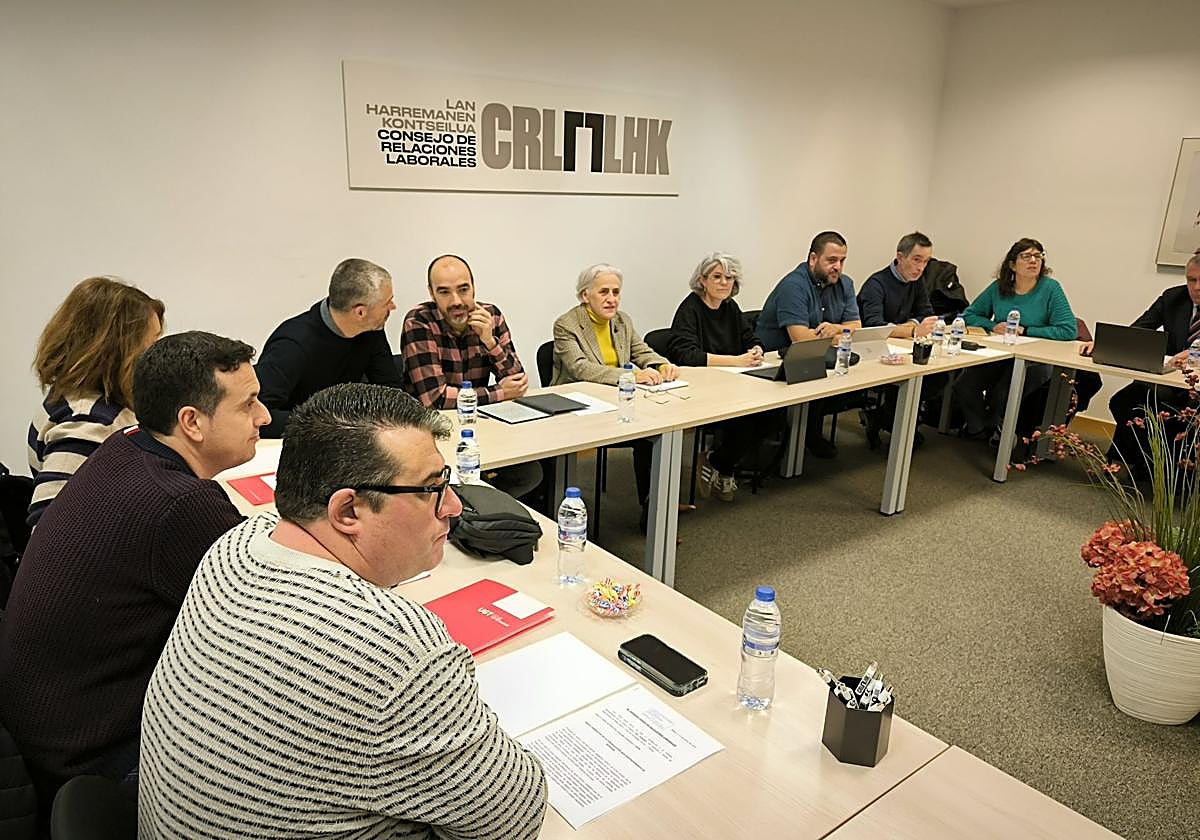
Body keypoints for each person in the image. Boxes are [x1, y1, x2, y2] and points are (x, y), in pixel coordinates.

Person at [138, 383, 548, 839]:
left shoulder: (237, 544)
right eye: (432, 488)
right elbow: (515, 818)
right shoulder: (396, 651)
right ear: (348, 510)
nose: (452, 507)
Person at [0, 332, 268, 813]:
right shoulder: (179, 505)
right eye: (248, 404)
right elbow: (278, 619)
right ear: (192, 423)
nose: (264, 416)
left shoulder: (127, 449)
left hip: (47, 727)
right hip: (93, 758)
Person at [400, 254, 541, 499]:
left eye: (463, 289)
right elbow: (435, 400)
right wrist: (498, 393)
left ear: (474, 287)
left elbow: (517, 381)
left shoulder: (491, 316)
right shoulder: (419, 322)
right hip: (432, 433)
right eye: (444, 292)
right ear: (432, 294)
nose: (456, 301)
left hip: (480, 427)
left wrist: (489, 341)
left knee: (530, 472)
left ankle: (484, 512)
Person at [26, 276, 164, 526]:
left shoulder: (68, 398)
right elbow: (48, 527)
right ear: (116, 351)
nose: (157, 358)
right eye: (151, 346)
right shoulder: (90, 423)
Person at [552, 263, 678, 527]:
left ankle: (652, 510)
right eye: (604, 292)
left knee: (652, 432)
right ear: (585, 295)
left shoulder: (622, 321)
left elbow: (641, 351)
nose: (612, 299)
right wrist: (629, 376)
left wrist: (660, 364)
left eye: (616, 292)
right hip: (578, 406)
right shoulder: (566, 325)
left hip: (618, 400)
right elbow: (580, 368)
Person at [1083, 249, 1200, 476]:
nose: (1196, 287)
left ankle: (1170, 470)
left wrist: (1195, 355)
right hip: (1169, 378)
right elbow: (1139, 330)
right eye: (1191, 280)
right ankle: (1143, 462)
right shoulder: (1173, 298)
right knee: (1123, 402)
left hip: (1195, 387)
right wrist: (1104, 344)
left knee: (1166, 410)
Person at [255, 257, 401, 437]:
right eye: (387, 302)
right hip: (295, 443)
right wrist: (330, 426)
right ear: (360, 312)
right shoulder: (292, 345)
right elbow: (260, 416)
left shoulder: (370, 331)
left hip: (344, 437)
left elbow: (391, 391)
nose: (393, 307)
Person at [669, 252, 774, 501]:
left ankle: (718, 462)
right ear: (702, 280)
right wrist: (736, 361)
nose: (724, 282)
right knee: (745, 419)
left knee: (773, 415)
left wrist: (756, 348)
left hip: (733, 381)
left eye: (729, 277)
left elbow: (750, 336)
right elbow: (688, 356)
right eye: (717, 277)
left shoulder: (730, 307)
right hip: (702, 388)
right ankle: (723, 466)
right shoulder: (690, 309)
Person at [953, 238, 1076, 441]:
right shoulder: (999, 287)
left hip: (1035, 359)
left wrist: (1026, 330)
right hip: (1000, 353)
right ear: (1012, 264)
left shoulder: (1051, 288)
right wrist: (993, 325)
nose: (1033, 261)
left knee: (1002, 393)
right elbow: (969, 315)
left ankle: (1000, 432)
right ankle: (979, 429)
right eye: (1026, 256)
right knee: (964, 385)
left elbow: (1067, 330)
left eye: (1038, 256)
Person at [755, 231, 862, 457]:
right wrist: (841, 333)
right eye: (831, 260)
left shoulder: (845, 284)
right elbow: (801, 339)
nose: (838, 267)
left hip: (812, 360)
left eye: (842, 261)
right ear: (813, 259)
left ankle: (807, 435)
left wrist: (837, 329)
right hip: (772, 365)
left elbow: (856, 325)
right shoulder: (794, 285)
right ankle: (798, 439)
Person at [857, 232, 939, 449]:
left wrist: (910, 326)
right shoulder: (876, 283)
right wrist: (912, 330)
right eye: (917, 260)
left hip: (901, 348)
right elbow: (875, 325)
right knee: (906, 377)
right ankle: (891, 420)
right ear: (900, 257)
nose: (921, 268)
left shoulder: (916, 281)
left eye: (926, 262)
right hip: (871, 350)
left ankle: (887, 418)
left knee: (939, 378)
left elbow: (927, 313)